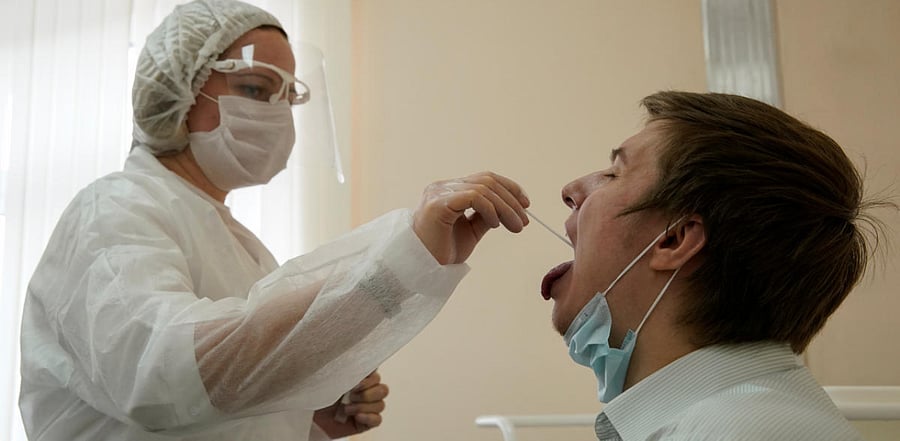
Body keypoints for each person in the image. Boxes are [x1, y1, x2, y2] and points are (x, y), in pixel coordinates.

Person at [18, 1, 529, 440]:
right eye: (257, 89)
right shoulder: (112, 212)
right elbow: (161, 375)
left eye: (289, 97)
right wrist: (402, 256)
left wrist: (304, 416)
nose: (278, 114)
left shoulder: (237, 243)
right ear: (179, 91)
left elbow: (216, 400)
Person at [540, 91, 888, 440]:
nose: (571, 191)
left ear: (674, 239)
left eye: (615, 174)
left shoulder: (745, 430)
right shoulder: (737, 420)